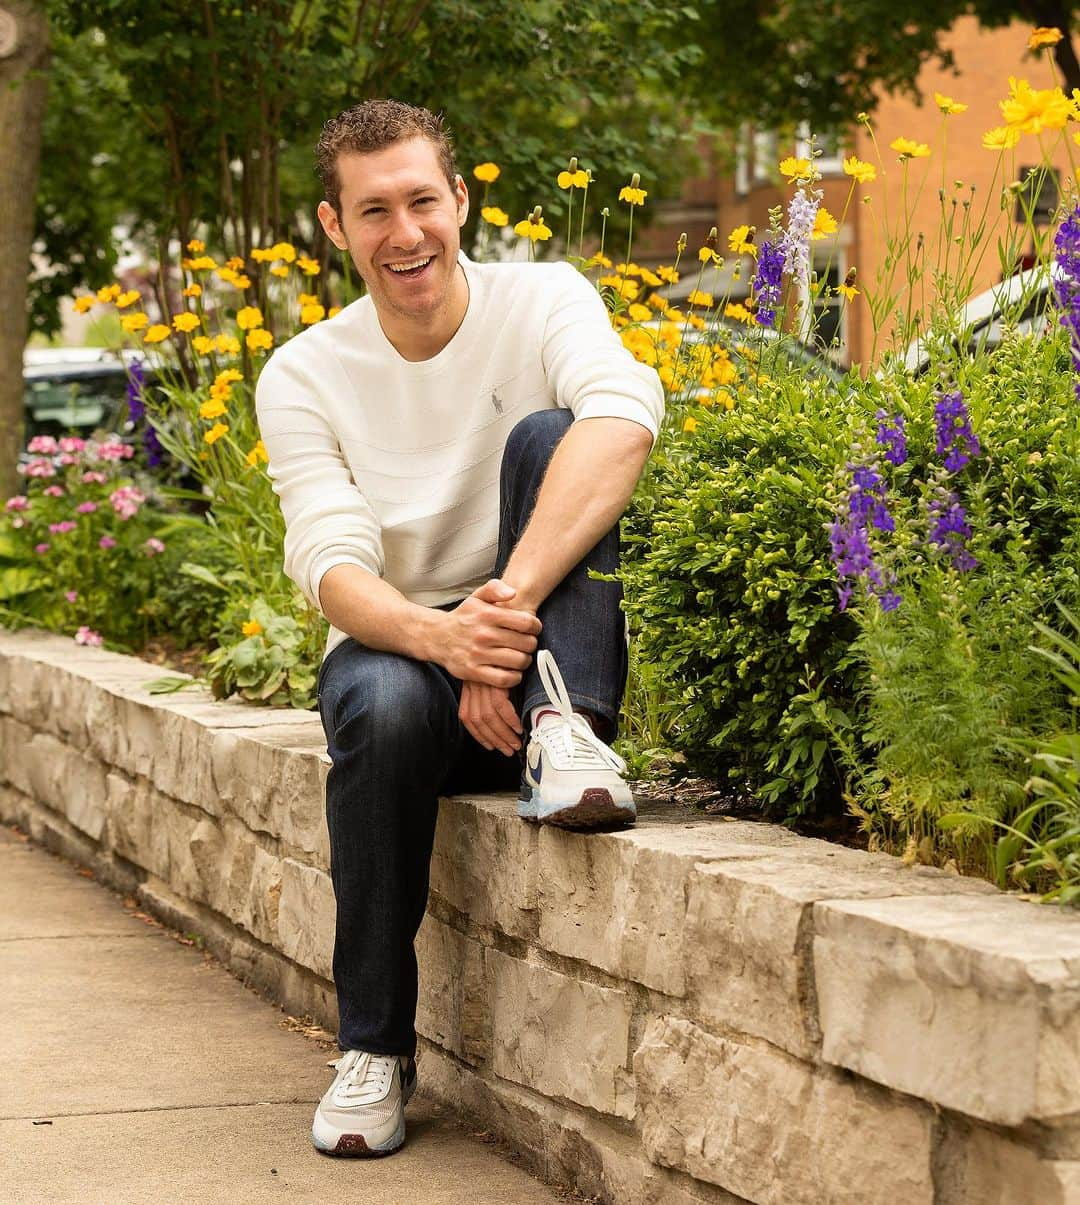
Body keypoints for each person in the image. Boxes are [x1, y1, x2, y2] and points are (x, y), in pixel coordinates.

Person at [254, 99, 664, 1159]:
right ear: (335, 225)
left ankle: (561, 727)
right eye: (374, 210)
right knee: (382, 705)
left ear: (460, 200)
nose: (406, 234)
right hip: (404, 651)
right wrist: (446, 643)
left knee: (557, 433)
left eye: (422, 200)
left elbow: (627, 416)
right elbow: (333, 566)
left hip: (535, 636)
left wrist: (506, 613)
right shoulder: (302, 372)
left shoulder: (543, 299)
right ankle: (374, 1050)